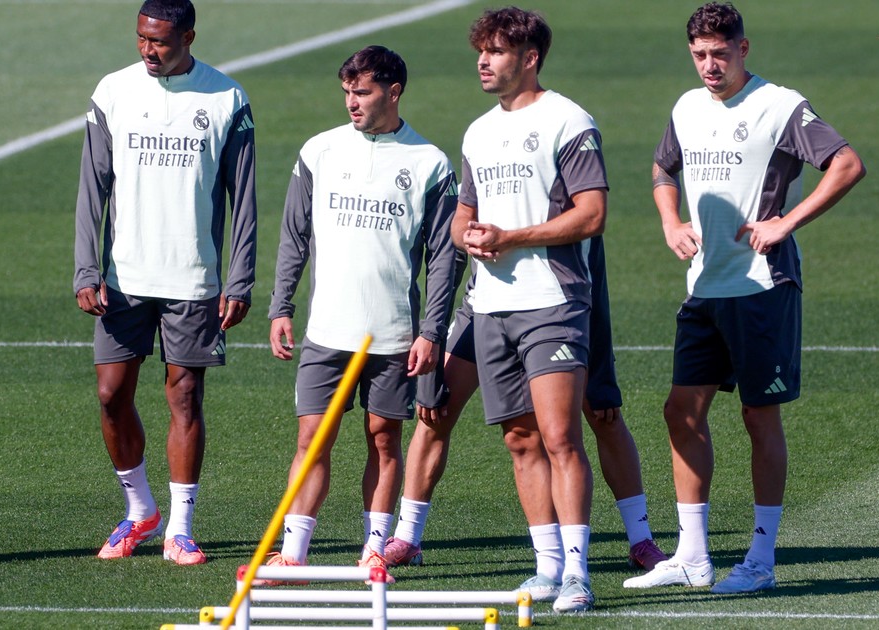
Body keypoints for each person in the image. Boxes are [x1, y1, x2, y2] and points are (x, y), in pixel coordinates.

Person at [624, 2, 865, 594]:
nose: (710, 65)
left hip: (763, 286)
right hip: (704, 286)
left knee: (759, 417)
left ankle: (759, 560)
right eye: (699, 54)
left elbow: (846, 164)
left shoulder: (780, 106)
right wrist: (670, 221)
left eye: (720, 53)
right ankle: (693, 556)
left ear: (743, 48)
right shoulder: (686, 107)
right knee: (680, 412)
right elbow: (662, 168)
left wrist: (787, 222)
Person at [261, 45, 457, 584]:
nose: (352, 102)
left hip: (393, 335)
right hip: (327, 331)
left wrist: (431, 331)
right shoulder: (319, 151)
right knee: (311, 441)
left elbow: (444, 257)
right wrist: (281, 305)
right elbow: (294, 236)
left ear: (394, 92)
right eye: (347, 91)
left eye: (363, 92)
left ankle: (373, 551)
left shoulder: (430, 163)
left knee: (384, 440)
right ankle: (293, 552)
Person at [73, 0, 257, 566]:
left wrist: (239, 278)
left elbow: (244, 198)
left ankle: (180, 528)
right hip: (123, 277)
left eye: (159, 41)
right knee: (111, 395)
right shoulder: (113, 91)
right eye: (141, 38)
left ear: (188, 37)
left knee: (184, 396)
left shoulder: (227, 98)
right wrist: (86, 267)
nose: (147, 50)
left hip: (194, 278)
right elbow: (92, 187)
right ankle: (140, 510)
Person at [384, 238, 669, 581]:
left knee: (602, 414)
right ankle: (407, 537)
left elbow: (594, 269)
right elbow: (449, 258)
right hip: (484, 309)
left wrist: (602, 371)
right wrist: (432, 352)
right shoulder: (472, 203)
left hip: (558, 312)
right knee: (434, 414)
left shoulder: (567, 206)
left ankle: (641, 540)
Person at [447, 7, 608, 613]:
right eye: (480, 52)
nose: (483, 62)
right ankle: (547, 568)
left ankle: (578, 574)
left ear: (530, 58)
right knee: (520, 438)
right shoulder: (477, 132)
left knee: (561, 435)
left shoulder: (569, 120)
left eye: (495, 52)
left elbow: (592, 214)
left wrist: (512, 237)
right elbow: (464, 212)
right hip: (492, 304)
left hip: (552, 301)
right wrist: (469, 236)